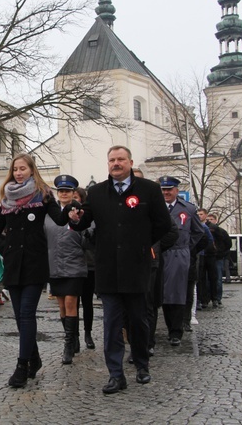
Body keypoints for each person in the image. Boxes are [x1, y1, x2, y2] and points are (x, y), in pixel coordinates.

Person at [68, 146, 176, 395]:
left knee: (138, 321)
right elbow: (84, 222)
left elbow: (162, 224)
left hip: (137, 267)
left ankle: (141, 365)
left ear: (130, 162)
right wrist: (75, 217)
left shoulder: (148, 189)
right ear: (108, 164)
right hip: (107, 269)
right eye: (112, 160)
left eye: (120, 159)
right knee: (112, 324)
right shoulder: (95, 192)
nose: (116, 163)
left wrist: (142, 243)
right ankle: (116, 374)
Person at [0, 153, 74, 388]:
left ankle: (21, 366)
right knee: (19, 318)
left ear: (32, 170)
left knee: (26, 314)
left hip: (34, 264)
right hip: (13, 265)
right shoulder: (7, 201)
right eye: (15, 169)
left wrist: (72, 211)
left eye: (23, 168)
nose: (18, 173)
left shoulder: (43, 195)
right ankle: (34, 358)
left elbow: (60, 219)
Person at [157, 176, 206, 347]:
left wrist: (186, 248)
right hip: (158, 254)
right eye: (163, 189)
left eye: (169, 189)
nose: (166, 192)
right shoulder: (155, 208)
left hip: (178, 255)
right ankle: (163, 330)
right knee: (160, 293)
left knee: (177, 293)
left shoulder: (188, 209)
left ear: (177, 190)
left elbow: (199, 232)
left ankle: (176, 331)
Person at [44, 174, 87, 364]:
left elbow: (88, 236)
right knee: (61, 306)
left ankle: (68, 345)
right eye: (60, 191)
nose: (63, 194)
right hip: (54, 265)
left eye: (67, 191)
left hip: (74, 265)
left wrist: (78, 223)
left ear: (73, 193)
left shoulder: (81, 212)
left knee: (70, 303)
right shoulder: (49, 215)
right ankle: (73, 338)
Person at [74, 187, 96, 350]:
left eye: (77, 197)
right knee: (72, 303)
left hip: (89, 264)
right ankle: (73, 336)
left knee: (87, 302)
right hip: (72, 265)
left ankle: (88, 333)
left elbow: (93, 234)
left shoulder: (89, 216)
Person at [206, 213, 231, 306]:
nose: (210, 221)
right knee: (207, 279)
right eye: (208, 219)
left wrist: (220, 252)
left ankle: (217, 297)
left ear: (215, 220)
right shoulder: (204, 229)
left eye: (211, 219)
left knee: (218, 279)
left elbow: (228, 244)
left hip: (218, 258)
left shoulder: (221, 231)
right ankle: (208, 297)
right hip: (208, 256)